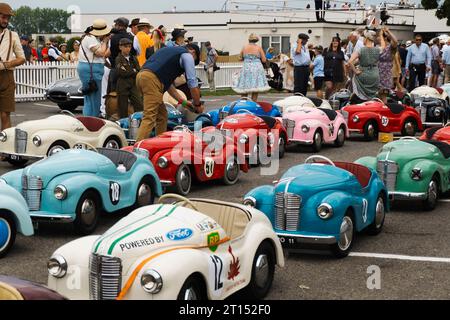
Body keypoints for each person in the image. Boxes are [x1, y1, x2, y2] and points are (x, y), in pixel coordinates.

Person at [135, 44, 204, 141]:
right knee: (149, 117)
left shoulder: (169, 51)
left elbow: (169, 86)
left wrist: (183, 102)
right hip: (152, 80)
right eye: (194, 60)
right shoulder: (187, 55)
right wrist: (198, 104)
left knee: (162, 116)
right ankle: (137, 151)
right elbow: (192, 84)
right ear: (193, 52)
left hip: (141, 77)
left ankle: (160, 143)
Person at [0, 2, 26, 134]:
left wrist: (6, 64)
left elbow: (22, 58)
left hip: (6, 77)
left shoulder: (12, 35)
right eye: (3, 17)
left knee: (5, 114)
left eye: (8, 18)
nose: (6, 20)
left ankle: (5, 151)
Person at [78, 19, 111, 117]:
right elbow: (101, 53)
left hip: (89, 69)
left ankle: (90, 118)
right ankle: (91, 119)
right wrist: (105, 42)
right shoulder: (90, 39)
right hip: (91, 70)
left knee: (91, 97)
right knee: (93, 98)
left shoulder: (90, 38)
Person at [232, 33, 270, 101]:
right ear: (256, 40)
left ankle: (243, 103)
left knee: (244, 86)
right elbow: (264, 60)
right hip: (257, 67)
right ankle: (253, 103)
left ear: (249, 40)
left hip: (246, 67)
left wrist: (245, 58)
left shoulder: (244, 47)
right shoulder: (258, 48)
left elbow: (240, 58)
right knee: (255, 87)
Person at [346, 30, 381, 103]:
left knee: (359, 97)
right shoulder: (378, 50)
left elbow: (350, 61)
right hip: (374, 75)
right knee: (372, 98)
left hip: (363, 75)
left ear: (366, 39)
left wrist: (355, 71)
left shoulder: (361, 50)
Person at [115, 38, 142, 119]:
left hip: (133, 84)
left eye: (129, 46)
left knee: (139, 105)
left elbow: (138, 70)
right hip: (122, 84)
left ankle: (139, 121)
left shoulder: (133, 58)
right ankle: (123, 125)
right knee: (122, 108)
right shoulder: (118, 59)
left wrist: (130, 70)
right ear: (120, 47)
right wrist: (133, 71)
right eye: (125, 46)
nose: (128, 49)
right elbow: (121, 73)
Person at [378, 27, 398, 104]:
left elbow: (395, 41)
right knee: (378, 95)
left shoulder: (390, 47)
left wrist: (388, 31)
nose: (379, 39)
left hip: (385, 73)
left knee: (383, 95)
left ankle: (384, 110)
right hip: (378, 72)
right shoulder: (379, 47)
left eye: (380, 37)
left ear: (385, 38)